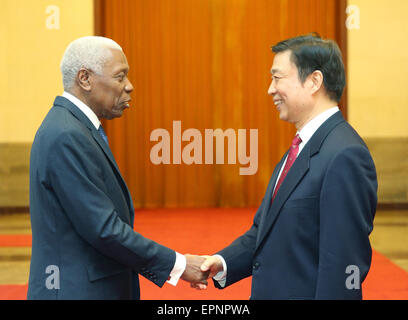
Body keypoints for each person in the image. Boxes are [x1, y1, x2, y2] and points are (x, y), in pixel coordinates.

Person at [194, 34, 378, 299]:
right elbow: (266, 230)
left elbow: (343, 263)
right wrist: (222, 262)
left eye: (277, 78)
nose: (270, 89)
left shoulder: (345, 155)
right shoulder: (303, 146)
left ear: (314, 81)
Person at [27, 36, 206, 299]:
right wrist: (178, 265)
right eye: (120, 77)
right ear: (85, 79)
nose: (129, 86)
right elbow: (104, 229)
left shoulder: (74, 127)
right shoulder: (67, 134)